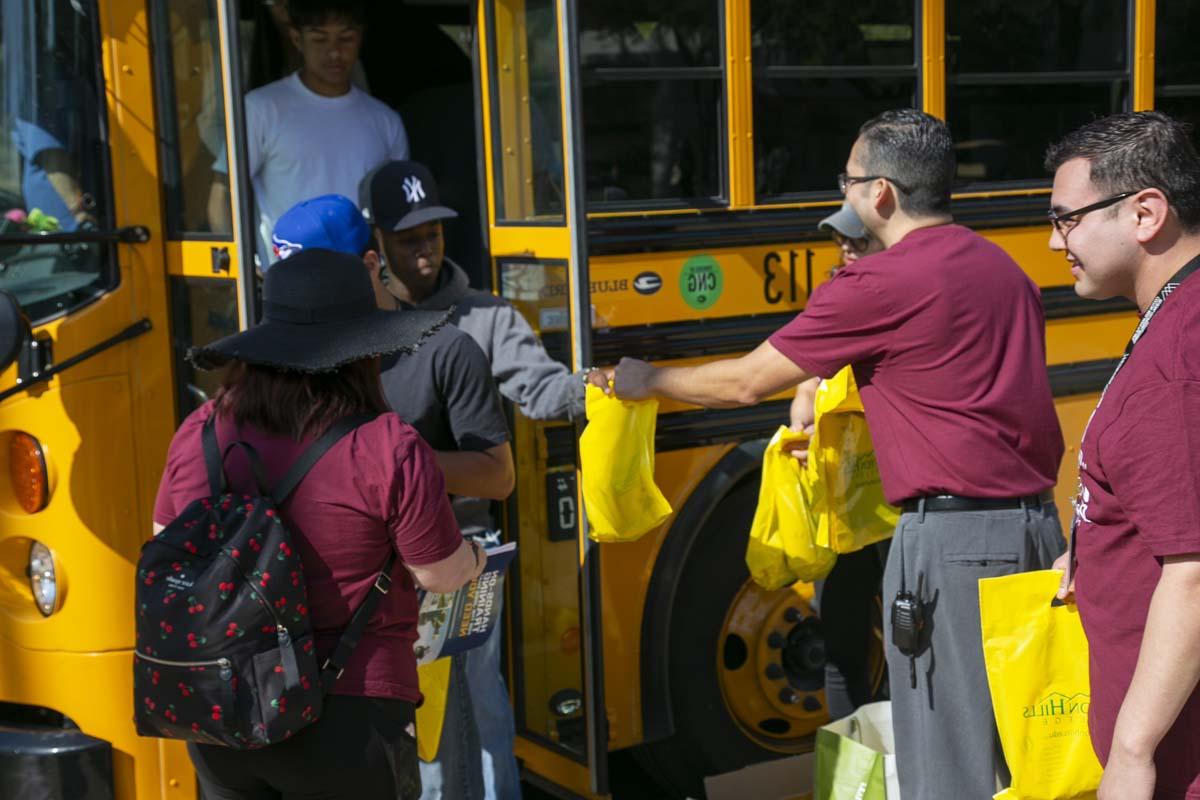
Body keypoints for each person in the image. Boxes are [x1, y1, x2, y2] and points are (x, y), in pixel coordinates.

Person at [597, 109, 1065, 800]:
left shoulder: (880, 282)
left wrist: (649, 379)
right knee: (1023, 756)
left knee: (948, 766)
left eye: (846, 181)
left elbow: (747, 382)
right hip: (1037, 531)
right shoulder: (1003, 267)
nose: (841, 196)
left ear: (880, 194)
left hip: (954, 542)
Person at [153, 248, 487, 799]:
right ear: (363, 352)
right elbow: (436, 572)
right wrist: (474, 560)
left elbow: (166, 545)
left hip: (219, 703)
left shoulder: (200, 432)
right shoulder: (389, 446)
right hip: (349, 713)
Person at [361, 160, 592, 800]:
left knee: (477, 697)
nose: (425, 248)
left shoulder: (483, 316)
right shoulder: (362, 325)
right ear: (376, 243)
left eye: (432, 233)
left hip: (464, 542)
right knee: (412, 713)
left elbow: (539, 388)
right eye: (408, 238)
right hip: (379, 551)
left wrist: (590, 391)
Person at [273, 193, 515, 799]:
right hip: (356, 572)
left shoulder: (444, 347)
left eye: (320, 279)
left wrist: (386, 467)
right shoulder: (309, 356)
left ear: (368, 264)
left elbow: (498, 475)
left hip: (452, 557)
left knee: (460, 736)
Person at [1046, 111, 1200, 800]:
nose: (1055, 243)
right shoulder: (1178, 320)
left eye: (1067, 219)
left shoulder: (1177, 356)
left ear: (1145, 213)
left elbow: (1194, 569)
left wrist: (1133, 754)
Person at [207, 0, 408, 266]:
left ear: (360, 38)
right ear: (296, 39)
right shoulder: (261, 109)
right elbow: (223, 192)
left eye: (345, 39)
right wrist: (248, 269)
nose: (334, 53)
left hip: (364, 287)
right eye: (319, 39)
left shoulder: (385, 121)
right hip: (286, 286)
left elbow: (397, 209)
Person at [790, 202, 889, 721]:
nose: (846, 250)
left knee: (909, 648)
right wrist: (802, 421)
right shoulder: (831, 297)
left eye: (857, 240)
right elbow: (806, 382)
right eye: (840, 242)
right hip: (846, 496)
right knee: (842, 647)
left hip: (895, 495)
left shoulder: (901, 299)